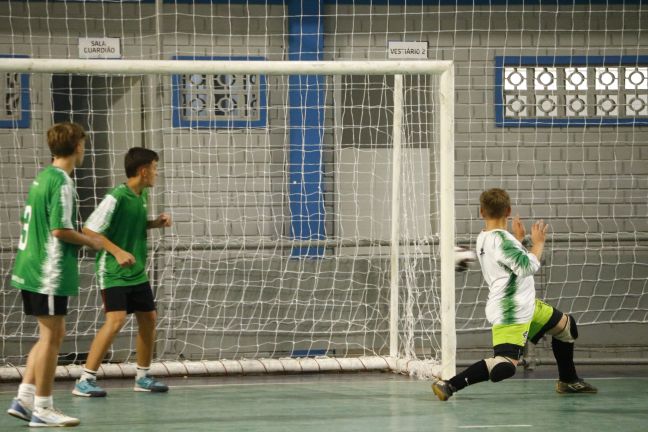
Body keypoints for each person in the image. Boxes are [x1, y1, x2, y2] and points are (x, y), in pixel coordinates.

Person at [432, 188, 597, 401]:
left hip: (526, 303)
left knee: (566, 327)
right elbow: (528, 266)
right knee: (505, 366)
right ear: (508, 210)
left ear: (481, 211)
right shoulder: (502, 240)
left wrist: (518, 241)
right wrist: (538, 243)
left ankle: (568, 381)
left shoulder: (484, 237)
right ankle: (449, 385)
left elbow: (508, 263)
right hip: (511, 309)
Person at [7, 122, 103, 427]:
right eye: (83, 145)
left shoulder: (43, 176)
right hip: (46, 272)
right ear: (77, 147)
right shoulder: (61, 181)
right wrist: (92, 240)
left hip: (30, 267)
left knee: (50, 334)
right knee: (51, 338)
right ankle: (43, 408)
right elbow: (60, 229)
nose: (84, 150)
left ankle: (24, 398)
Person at [72, 147, 171, 397]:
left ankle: (142, 377)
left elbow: (132, 226)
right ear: (143, 170)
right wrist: (117, 252)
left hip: (136, 271)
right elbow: (90, 230)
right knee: (115, 321)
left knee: (148, 319)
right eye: (155, 168)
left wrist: (154, 223)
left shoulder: (141, 196)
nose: (157, 173)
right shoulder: (116, 196)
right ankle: (85, 380)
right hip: (113, 271)